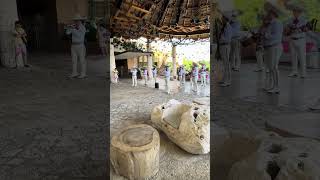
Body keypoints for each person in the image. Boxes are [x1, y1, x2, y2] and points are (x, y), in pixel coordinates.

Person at [262, 1, 284, 94]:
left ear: (273, 14)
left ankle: (277, 87)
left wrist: (266, 35)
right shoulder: (270, 23)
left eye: (269, 12)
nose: (267, 14)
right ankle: (272, 85)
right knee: (270, 67)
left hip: (275, 47)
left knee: (274, 67)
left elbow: (276, 37)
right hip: (269, 47)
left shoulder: (277, 23)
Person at [285, 2, 308, 78]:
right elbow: (287, 30)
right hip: (292, 39)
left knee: (302, 57)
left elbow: (306, 29)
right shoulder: (290, 20)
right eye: (293, 11)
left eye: (296, 11)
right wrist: (289, 29)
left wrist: (301, 29)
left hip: (300, 39)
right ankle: (294, 71)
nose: (294, 12)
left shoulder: (304, 20)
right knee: (293, 56)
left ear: (300, 12)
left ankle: (303, 73)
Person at [65, 14, 88, 79]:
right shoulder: (74, 27)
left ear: (80, 21)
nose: (76, 22)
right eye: (75, 20)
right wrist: (69, 27)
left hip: (80, 45)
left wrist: (73, 29)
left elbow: (79, 36)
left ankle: (83, 74)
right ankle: (74, 72)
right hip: (73, 46)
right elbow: (67, 33)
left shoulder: (82, 27)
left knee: (82, 60)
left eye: (77, 20)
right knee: (73, 60)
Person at [218, 11, 233, 87]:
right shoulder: (224, 27)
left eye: (222, 18)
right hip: (222, 46)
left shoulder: (228, 27)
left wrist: (221, 38)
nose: (221, 19)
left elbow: (227, 39)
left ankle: (228, 81)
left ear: (225, 19)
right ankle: (224, 79)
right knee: (224, 64)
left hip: (226, 46)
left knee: (227, 64)